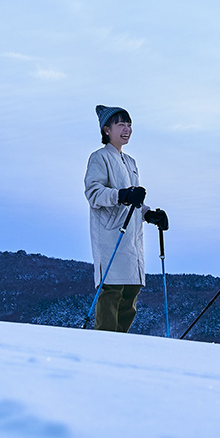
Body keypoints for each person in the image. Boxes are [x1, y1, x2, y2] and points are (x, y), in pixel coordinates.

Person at [84, 105, 168, 332]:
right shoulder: (99, 158)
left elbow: (135, 201)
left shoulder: (130, 162)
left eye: (129, 124)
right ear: (106, 130)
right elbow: (93, 194)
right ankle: (104, 343)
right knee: (112, 290)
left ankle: (120, 344)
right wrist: (121, 195)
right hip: (111, 234)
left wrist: (149, 213)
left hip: (131, 237)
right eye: (120, 124)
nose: (127, 129)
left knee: (131, 292)